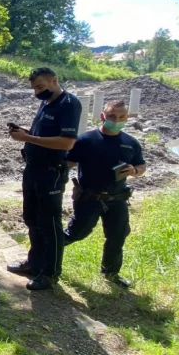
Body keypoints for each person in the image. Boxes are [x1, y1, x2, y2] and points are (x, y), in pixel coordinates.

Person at [7, 67, 82, 291]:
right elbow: (44, 135)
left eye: (40, 86)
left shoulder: (69, 104)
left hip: (51, 172)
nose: (37, 92)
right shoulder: (46, 102)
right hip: (33, 169)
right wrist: (25, 132)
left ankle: (50, 273)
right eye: (34, 88)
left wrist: (27, 137)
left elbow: (67, 142)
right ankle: (35, 263)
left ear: (54, 80)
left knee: (49, 224)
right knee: (32, 219)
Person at [63, 100, 146, 287]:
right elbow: (67, 164)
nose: (116, 120)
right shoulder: (85, 140)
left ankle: (111, 273)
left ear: (127, 118)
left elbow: (141, 166)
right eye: (112, 116)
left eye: (121, 117)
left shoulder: (130, 143)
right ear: (103, 116)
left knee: (117, 236)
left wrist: (135, 171)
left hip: (117, 200)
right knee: (76, 233)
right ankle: (44, 256)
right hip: (89, 198)